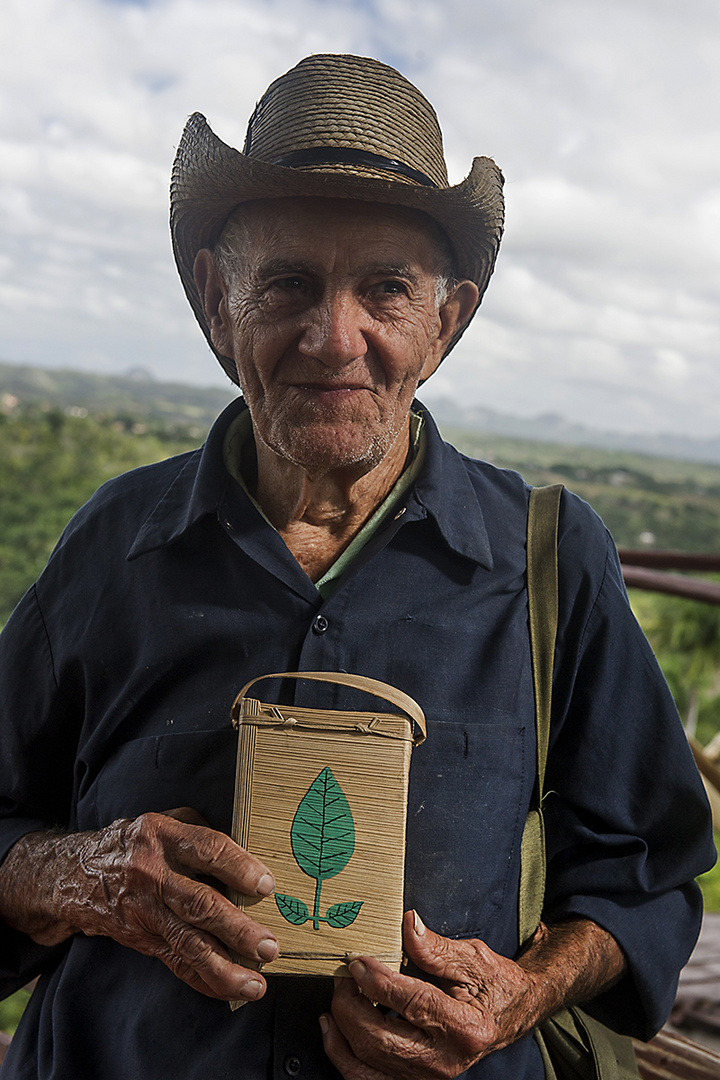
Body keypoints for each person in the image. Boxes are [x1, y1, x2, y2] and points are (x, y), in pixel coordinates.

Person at [0, 54, 713, 1080]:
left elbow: (643, 883)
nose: (336, 339)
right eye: (286, 282)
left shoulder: (547, 557)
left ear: (446, 322)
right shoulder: (116, 544)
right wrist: (76, 871)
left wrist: (521, 998)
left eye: (385, 289)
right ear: (215, 300)